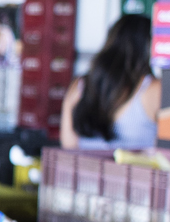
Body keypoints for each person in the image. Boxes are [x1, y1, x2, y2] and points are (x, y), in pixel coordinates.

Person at [61, 13, 159, 150]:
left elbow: (68, 144)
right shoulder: (153, 89)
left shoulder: (80, 85)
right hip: (136, 171)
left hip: (87, 169)